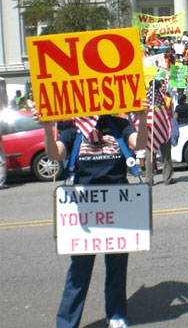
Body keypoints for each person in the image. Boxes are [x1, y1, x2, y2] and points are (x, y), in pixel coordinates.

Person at [35, 100, 149, 328]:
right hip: (84, 210)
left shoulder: (117, 123)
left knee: (117, 267)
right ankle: (67, 323)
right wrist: (47, 128)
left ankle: (116, 315)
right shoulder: (72, 128)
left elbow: (139, 144)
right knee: (79, 272)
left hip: (119, 207)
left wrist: (143, 118)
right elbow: (55, 154)